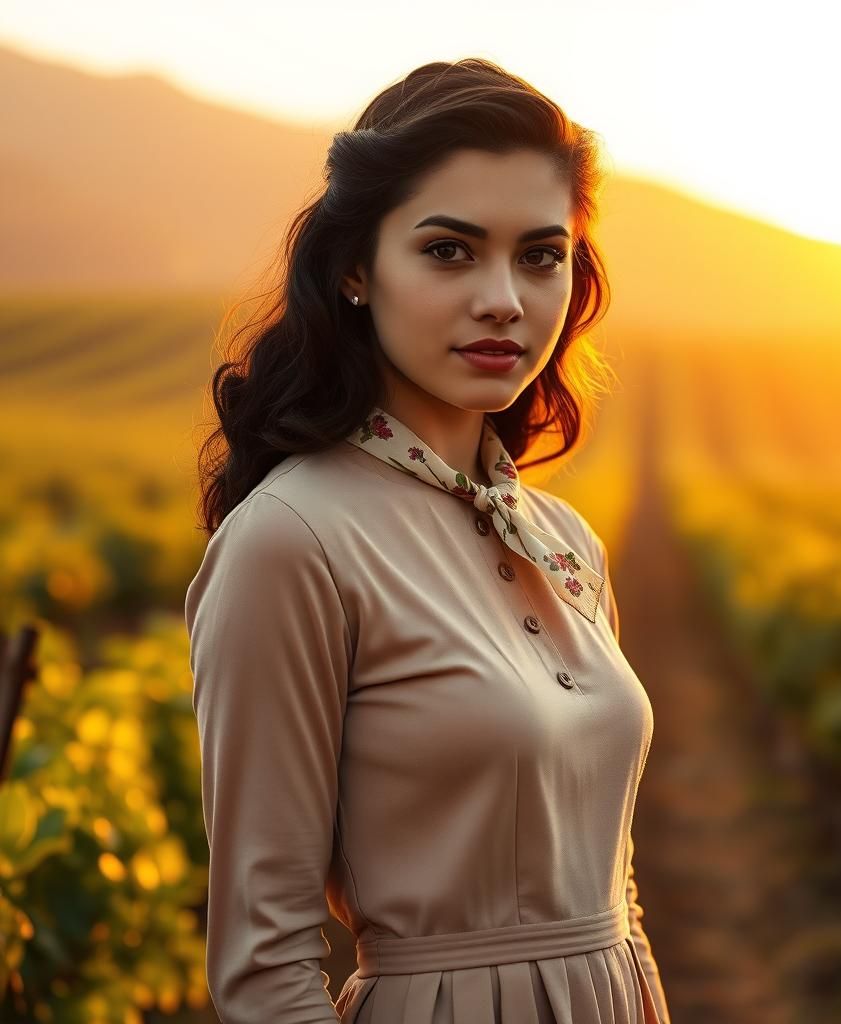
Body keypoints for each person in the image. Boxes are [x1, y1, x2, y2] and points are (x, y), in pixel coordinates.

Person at [185, 57, 670, 1024]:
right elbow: (263, 964)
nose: (505, 299)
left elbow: (610, 896)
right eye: (450, 251)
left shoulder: (566, 537)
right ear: (356, 267)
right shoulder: (291, 541)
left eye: (541, 255)